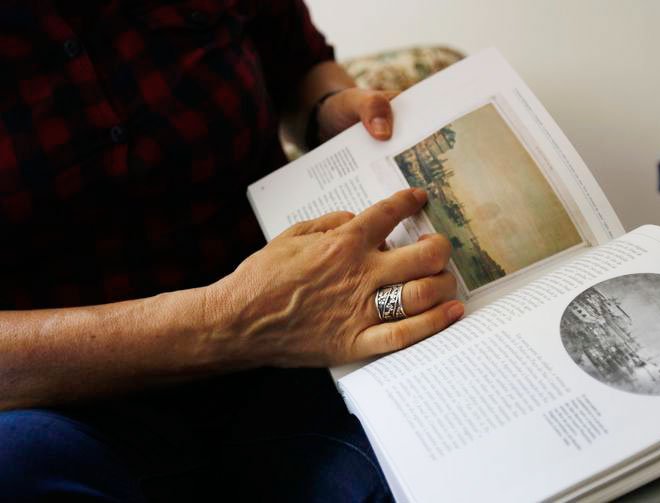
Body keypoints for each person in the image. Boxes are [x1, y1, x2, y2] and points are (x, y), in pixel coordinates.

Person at [0, 1, 463, 500]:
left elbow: (298, 65)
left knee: (435, 456)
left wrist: (326, 108)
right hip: (58, 407)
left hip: (298, 350)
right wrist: (229, 320)